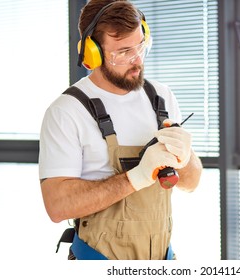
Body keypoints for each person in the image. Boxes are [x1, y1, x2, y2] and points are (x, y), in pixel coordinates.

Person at [39, 0, 202, 260]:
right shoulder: (67, 111)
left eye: (140, 46)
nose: (136, 60)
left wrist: (186, 157)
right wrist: (135, 177)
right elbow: (57, 206)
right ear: (92, 54)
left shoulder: (161, 96)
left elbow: (191, 183)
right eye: (123, 52)